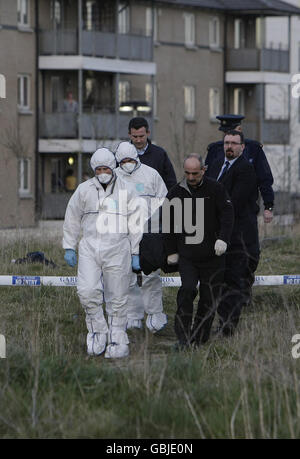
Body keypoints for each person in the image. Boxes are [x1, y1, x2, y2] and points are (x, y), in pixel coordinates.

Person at [62, 147, 143, 359]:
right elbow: (72, 217)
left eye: (106, 168)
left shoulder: (126, 189)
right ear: (94, 170)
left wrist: (135, 251)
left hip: (118, 248)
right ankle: (98, 331)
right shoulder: (84, 190)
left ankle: (118, 337)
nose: (102, 173)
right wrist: (69, 246)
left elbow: (136, 222)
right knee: (87, 291)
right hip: (90, 247)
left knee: (117, 296)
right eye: (98, 169)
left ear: (113, 167)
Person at [163, 154, 234, 349]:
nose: (191, 177)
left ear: (203, 170)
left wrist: (223, 239)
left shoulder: (216, 189)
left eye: (195, 173)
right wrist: (171, 251)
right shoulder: (176, 193)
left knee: (208, 297)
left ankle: (200, 336)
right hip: (188, 256)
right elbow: (168, 224)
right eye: (187, 173)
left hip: (213, 255)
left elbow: (228, 215)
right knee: (187, 290)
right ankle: (183, 337)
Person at [206, 114, 275, 301]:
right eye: (226, 136)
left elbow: (264, 178)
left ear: (241, 131)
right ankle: (233, 294)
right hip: (221, 217)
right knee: (228, 257)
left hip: (245, 213)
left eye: (234, 134)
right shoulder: (215, 151)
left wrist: (269, 204)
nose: (229, 142)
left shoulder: (253, 149)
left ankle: (244, 287)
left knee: (250, 255)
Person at [208, 130, 258, 336]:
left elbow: (232, 203)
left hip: (239, 239)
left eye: (234, 143)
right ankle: (222, 324)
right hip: (221, 235)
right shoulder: (218, 165)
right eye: (226, 143)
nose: (229, 146)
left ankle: (228, 328)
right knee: (220, 282)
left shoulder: (245, 169)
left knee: (233, 284)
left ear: (242, 147)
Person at [115, 141, 168, 333]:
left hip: (149, 234)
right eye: (123, 161)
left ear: (136, 158)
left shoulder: (151, 174)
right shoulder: (114, 177)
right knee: (127, 277)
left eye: (130, 160)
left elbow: (163, 200)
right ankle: (133, 315)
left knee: (150, 276)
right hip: (123, 236)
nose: (127, 164)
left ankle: (155, 314)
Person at [128, 117, 177, 191]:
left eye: (141, 136)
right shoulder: (122, 156)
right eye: (135, 137)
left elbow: (170, 182)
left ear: (148, 133)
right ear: (129, 135)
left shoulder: (160, 154)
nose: (138, 140)